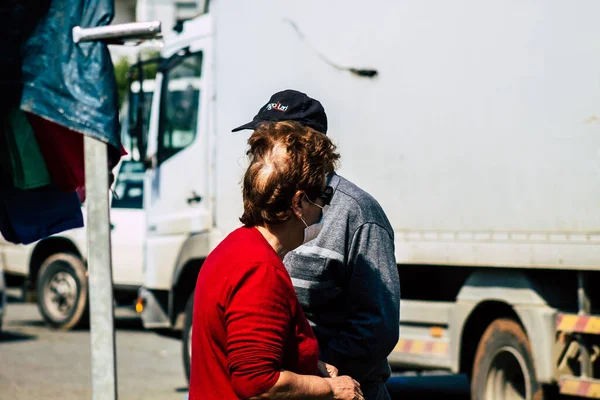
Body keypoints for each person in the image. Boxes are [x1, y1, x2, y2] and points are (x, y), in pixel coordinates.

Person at [232, 90, 401, 400]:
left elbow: (378, 325)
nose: (259, 157)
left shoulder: (358, 213)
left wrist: (319, 376)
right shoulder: (265, 207)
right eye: (258, 145)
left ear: (303, 147)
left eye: (269, 143)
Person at [189, 121, 363, 400]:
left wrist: (308, 367)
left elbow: (255, 352)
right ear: (298, 204)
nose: (325, 206)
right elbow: (258, 383)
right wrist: (332, 388)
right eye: (323, 195)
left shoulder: (236, 247)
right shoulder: (260, 272)